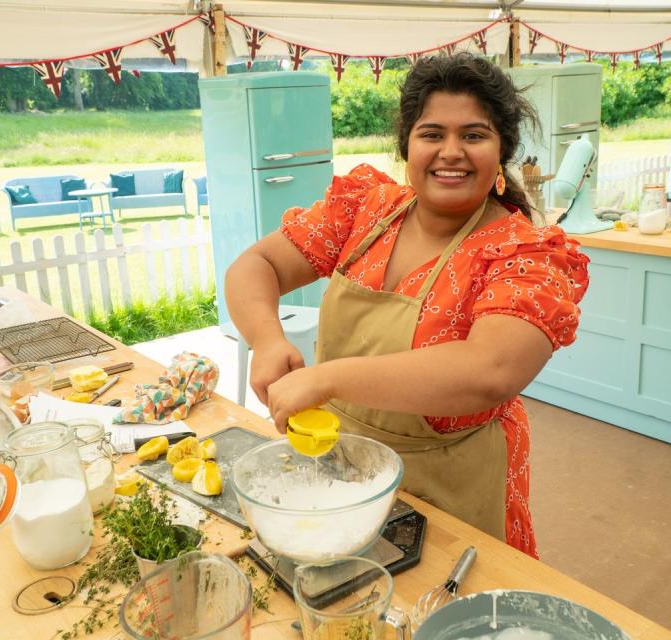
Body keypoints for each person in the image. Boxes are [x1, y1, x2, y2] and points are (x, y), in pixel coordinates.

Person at [225, 53, 589, 558]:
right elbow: (256, 265)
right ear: (408, 144)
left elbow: (491, 370)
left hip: (448, 484)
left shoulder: (525, 253)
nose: (452, 152)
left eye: (474, 135)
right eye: (432, 133)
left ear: (501, 149)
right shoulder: (365, 209)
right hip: (338, 470)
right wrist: (266, 340)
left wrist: (328, 379)